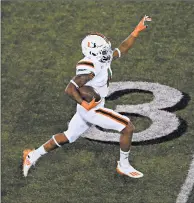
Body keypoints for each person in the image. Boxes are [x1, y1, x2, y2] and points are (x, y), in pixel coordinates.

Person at [23, 15, 152, 178]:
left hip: (91, 105)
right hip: (91, 109)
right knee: (127, 127)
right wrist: (84, 105)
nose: (107, 52)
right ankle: (123, 165)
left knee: (68, 136)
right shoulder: (90, 65)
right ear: (92, 53)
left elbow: (122, 49)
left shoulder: (101, 58)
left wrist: (136, 31)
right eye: (103, 50)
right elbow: (70, 88)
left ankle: (32, 155)